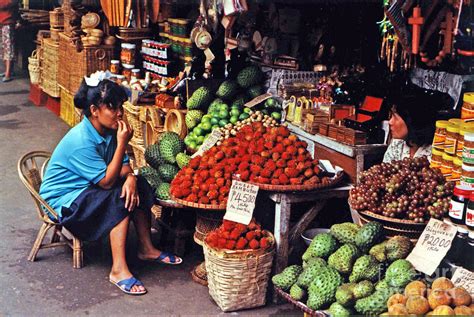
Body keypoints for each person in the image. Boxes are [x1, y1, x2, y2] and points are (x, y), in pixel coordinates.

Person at [39, 79, 182, 296]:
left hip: (88, 188)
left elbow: (123, 166)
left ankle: (146, 248)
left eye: (120, 107)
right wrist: (123, 143)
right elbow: (106, 182)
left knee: (140, 184)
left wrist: (132, 178)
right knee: (118, 197)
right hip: (65, 200)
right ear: (95, 110)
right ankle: (118, 269)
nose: (119, 113)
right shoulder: (81, 140)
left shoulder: (108, 130)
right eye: (112, 107)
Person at [383, 86, 438, 163]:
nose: (390, 122)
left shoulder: (435, 155)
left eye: (395, 117)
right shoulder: (396, 145)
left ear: (412, 121)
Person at [0, 0, 19, 82]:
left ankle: (8, 74)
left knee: (8, 49)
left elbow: (5, 4)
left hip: (7, 24)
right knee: (4, 48)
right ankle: (8, 71)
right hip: (3, 24)